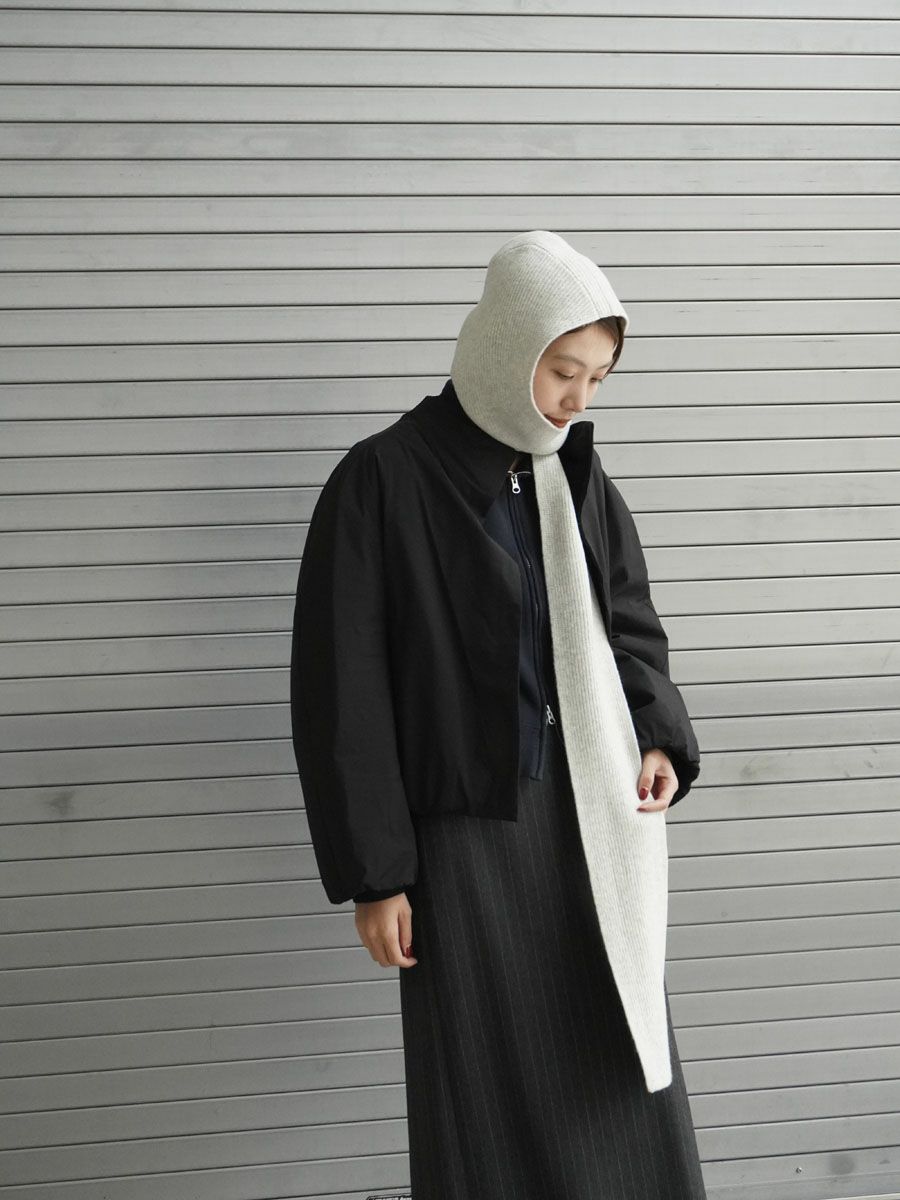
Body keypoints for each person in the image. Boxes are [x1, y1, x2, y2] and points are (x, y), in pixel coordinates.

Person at [291, 230, 707, 1198]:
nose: (578, 399)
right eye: (563, 372)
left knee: (617, 1055)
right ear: (506, 345)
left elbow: (629, 622)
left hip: (595, 818)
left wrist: (656, 736)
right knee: (481, 1082)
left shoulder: (577, 477)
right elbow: (343, 693)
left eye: (597, 379)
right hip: (466, 836)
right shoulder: (384, 480)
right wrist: (378, 876)